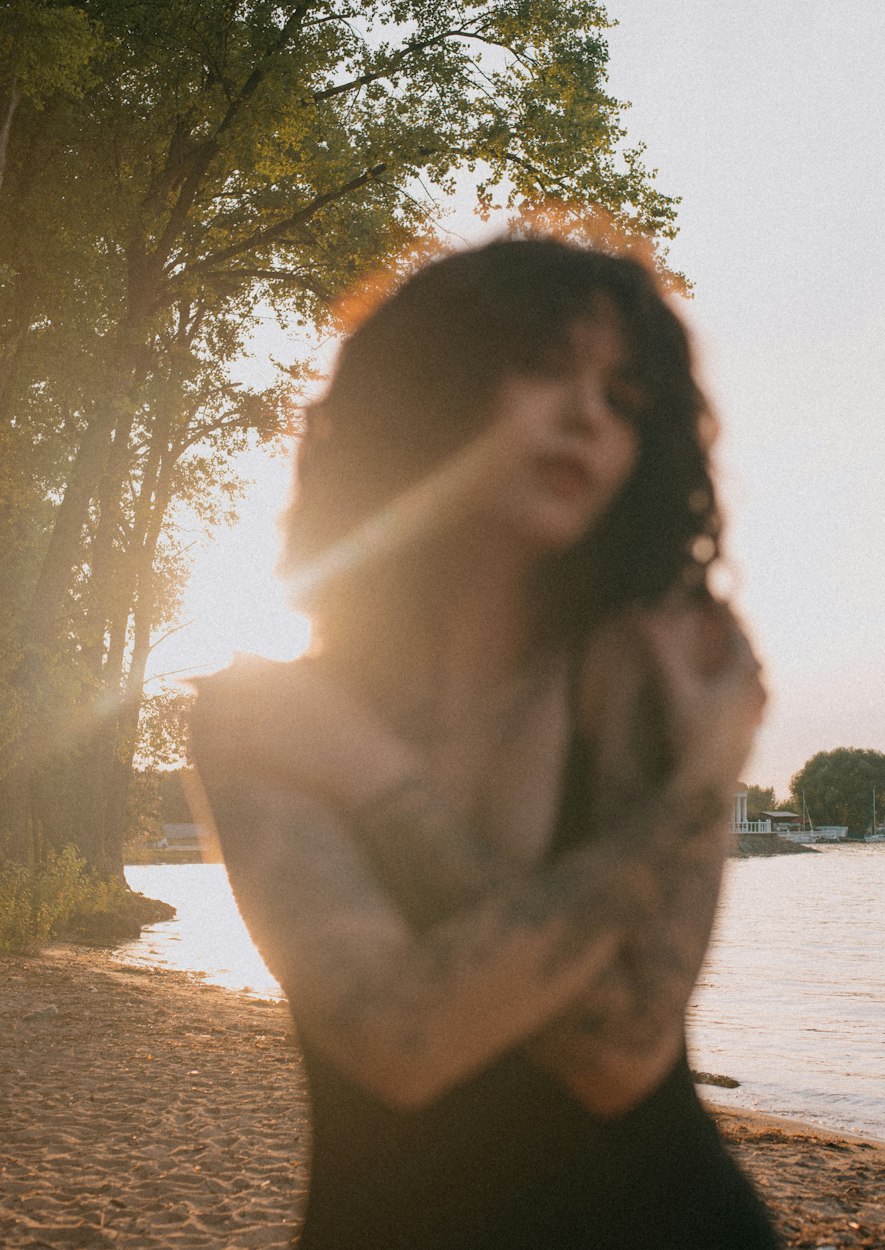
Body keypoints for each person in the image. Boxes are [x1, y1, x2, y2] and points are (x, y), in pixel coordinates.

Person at [190, 236, 779, 1249]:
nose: (588, 414)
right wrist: (683, 791)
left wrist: (371, 776)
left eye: (624, 397)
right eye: (546, 367)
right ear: (426, 389)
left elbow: (622, 1046)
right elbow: (396, 1036)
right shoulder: (260, 713)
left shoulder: (644, 669)